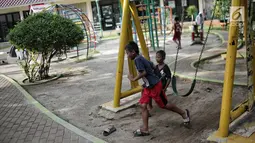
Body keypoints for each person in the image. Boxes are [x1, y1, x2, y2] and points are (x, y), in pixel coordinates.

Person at [125, 41, 190, 137]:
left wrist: (133, 79)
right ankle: (146, 129)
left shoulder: (137, 60)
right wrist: (155, 76)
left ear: (133, 52)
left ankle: (184, 114)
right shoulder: (141, 58)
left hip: (155, 86)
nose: (127, 56)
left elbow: (143, 73)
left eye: (127, 53)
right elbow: (151, 64)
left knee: (164, 105)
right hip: (149, 86)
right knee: (143, 105)